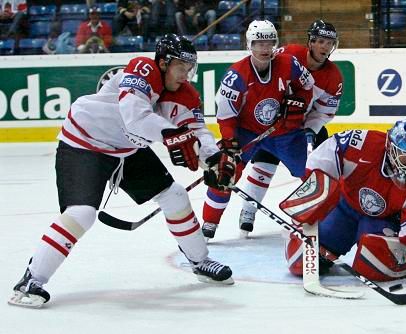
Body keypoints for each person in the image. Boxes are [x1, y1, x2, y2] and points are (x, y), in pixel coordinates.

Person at [8, 34, 237, 308]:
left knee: (174, 195)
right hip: (84, 142)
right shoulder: (143, 68)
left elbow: (197, 132)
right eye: (181, 67)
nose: (186, 75)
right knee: (81, 213)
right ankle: (31, 281)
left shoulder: (186, 94)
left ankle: (200, 262)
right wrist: (172, 135)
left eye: (190, 69)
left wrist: (213, 160)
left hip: (126, 150)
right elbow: (135, 118)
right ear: (163, 62)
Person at [283, 117, 406, 287]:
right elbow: (328, 153)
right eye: (403, 155)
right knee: (299, 260)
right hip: (345, 208)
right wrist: (311, 199)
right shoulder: (365, 144)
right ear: (390, 146)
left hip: (383, 221)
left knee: (371, 264)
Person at [201, 19, 314, 240]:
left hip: (282, 131)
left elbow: (307, 86)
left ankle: (321, 216)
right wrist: (230, 143)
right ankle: (209, 222)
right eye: (259, 44)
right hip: (246, 132)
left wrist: (298, 102)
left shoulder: (288, 63)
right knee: (224, 173)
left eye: (269, 43)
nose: (264, 49)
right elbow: (225, 117)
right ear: (249, 45)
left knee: (312, 172)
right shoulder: (236, 76)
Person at [238, 19, 343, 237]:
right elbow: (264, 74)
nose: (325, 47)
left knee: (319, 170)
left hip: (304, 125)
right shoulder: (290, 54)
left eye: (329, 42)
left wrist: (311, 128)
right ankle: (248, 211)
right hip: (272, 122)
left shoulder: (334, 76)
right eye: (321, 41)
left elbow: (324, 112)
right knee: (263, 166)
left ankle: (323, 212)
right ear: (311, 42)